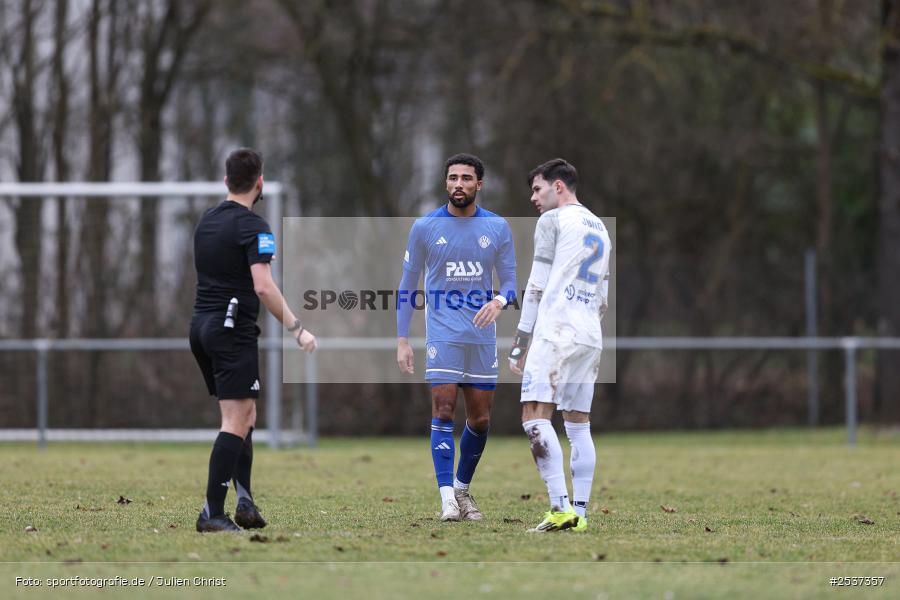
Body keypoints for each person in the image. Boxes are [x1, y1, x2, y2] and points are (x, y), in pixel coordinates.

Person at [190, 148, 317, 533]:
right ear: (259, 183)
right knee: (237, 418)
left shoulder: (206, 221)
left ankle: (244, 501)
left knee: (244, 416)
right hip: (232, 329)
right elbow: (263, 286)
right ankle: (212, 512)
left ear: (227, 181)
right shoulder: (255, 228)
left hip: (201, 327)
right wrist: (297, 327)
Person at [397, 153, 517, 522]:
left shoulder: (497, 227)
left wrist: (499, 300)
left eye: (466, 178)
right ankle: (447, 496)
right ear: (445, 182)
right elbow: (407, 285)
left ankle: (463, 489)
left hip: (481, 337)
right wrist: (402, 339)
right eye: (452, 178)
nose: (458, 184)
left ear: (479, 185)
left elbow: (511, 281)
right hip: (443, 334)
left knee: (480, 421)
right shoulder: (424, 227)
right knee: (443, 410)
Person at [508, 158, 611, 533]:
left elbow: (536, 284)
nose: (533, 197)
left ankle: (559, 507)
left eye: (537, 189)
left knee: (534, 415)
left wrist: (520, 340)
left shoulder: (552, 220)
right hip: (589, 334)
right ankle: (580, 514)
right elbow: (603, 296)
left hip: (557, 330)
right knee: (578, 423)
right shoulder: (600, 226)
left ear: (559, 187)